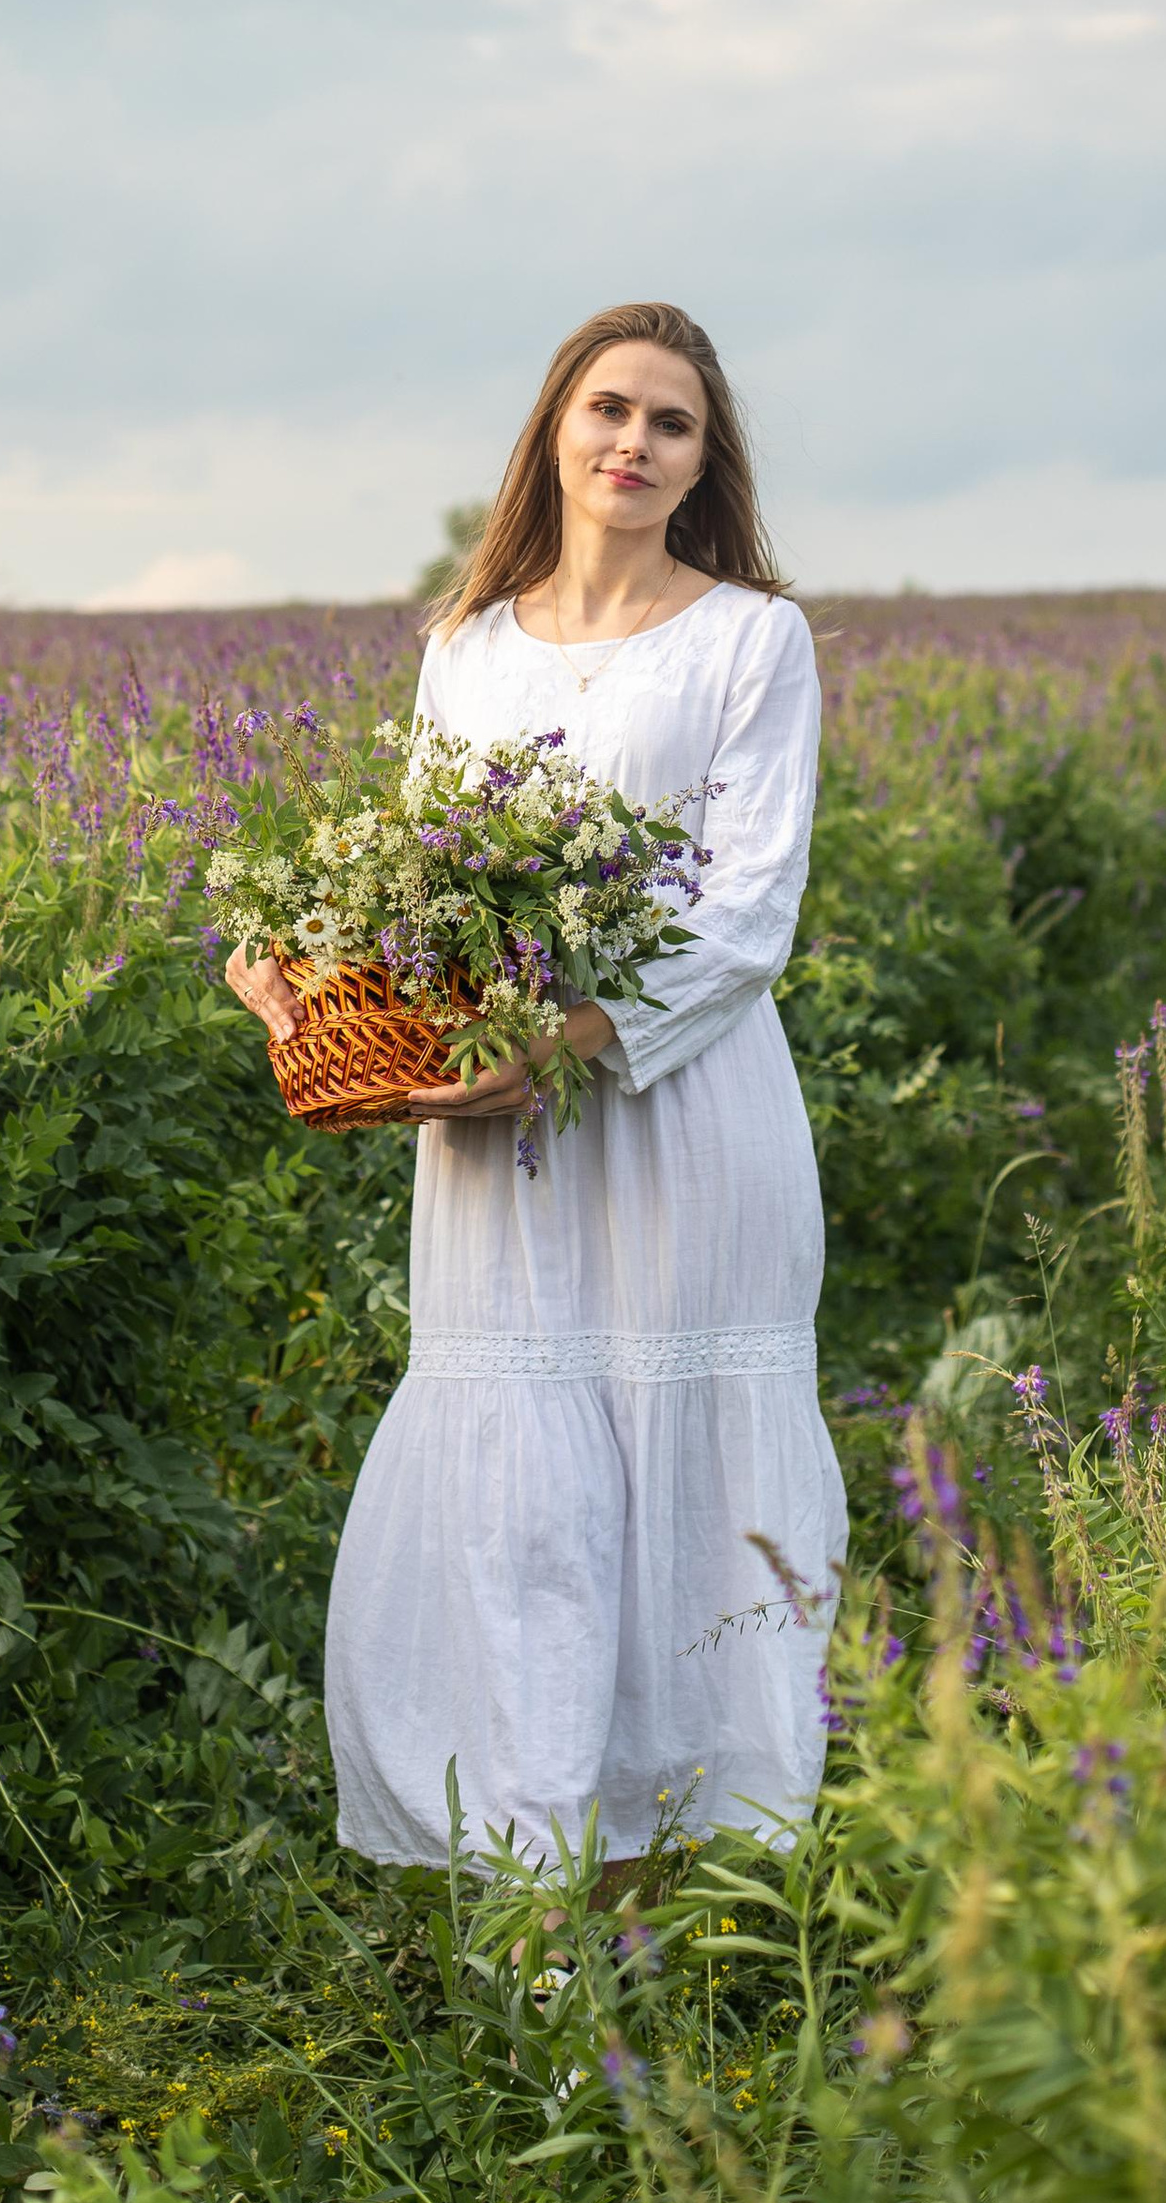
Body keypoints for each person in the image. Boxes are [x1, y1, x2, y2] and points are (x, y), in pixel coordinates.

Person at [223, 299, 847, 1878]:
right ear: (556, 431)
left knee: (681, 1471)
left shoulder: (752, 640)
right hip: (498, 1148)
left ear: (704, 463)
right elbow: (424, 894)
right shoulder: (467, 647)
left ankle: (686, 1884)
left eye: (670, 423)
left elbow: (747, 913)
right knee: (520, 1501)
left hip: (676, 1113)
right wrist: (304, 967)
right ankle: (537, 1884)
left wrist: (561, 1046)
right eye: (609, 409)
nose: (633, 442)